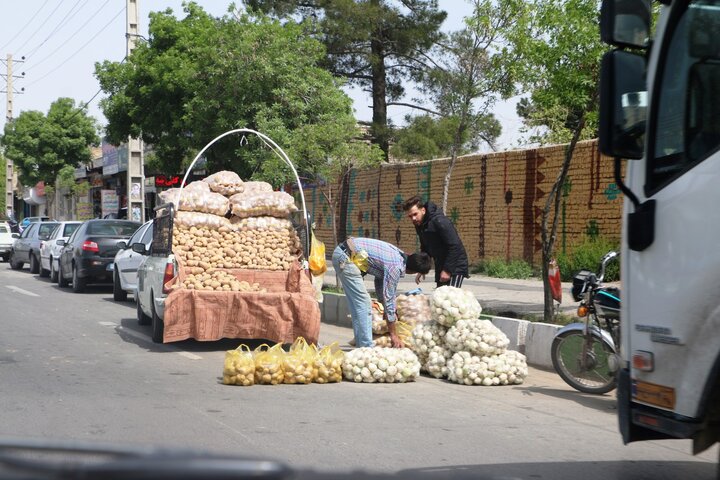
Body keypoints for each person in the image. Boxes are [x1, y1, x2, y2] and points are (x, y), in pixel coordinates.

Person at [332, 237, 431, 348]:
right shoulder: (395, 267)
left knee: (358, 305)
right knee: (364, 303)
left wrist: (383, 305)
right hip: (345, 257)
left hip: (344, 253)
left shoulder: (400, 256)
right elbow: (389, 298)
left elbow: (380, 280)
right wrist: (393, 334)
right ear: (413, 271)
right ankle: (366, 347)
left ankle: (361, 344)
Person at [403, 195, 469, 288]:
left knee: (451, 298)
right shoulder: (420, 225)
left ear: (423, 210)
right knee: (440, 298)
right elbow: (425, 248)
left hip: (455, 265)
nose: (413, 218)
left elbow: (455, 246)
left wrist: (447, 270)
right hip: (440, 264)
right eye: (410, 216)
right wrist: (422, 268)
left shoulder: (440, 221)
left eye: (415, 214)